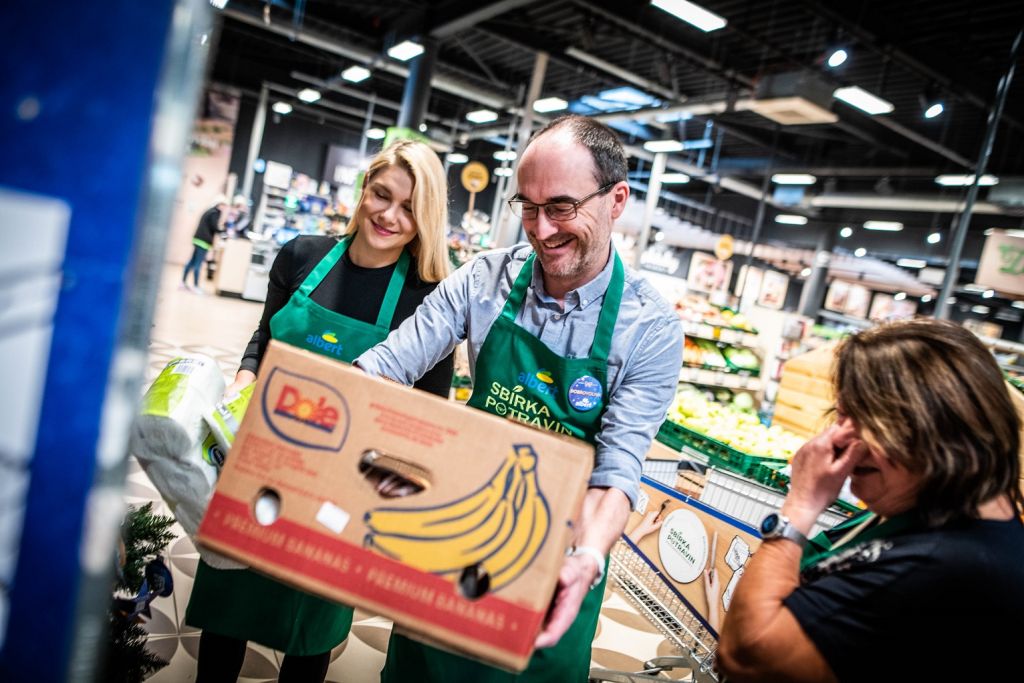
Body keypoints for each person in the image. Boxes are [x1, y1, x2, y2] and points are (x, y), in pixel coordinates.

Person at [356, 114, 684, 682]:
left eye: (561, 207)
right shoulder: (483, 280)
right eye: (528, 208)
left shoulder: (649, 329)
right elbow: (386, 366)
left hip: (557, 565)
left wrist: (589, 555)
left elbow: (618, 469)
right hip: (454, 533)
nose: (541, 229)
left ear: (616, 200)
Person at [185, 139, 455, 683]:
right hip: (262, 457)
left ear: (425, 218)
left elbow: (429, 408)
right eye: (382, 195)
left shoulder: (427, 299)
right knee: (227, 609)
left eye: (409, 208)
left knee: (308, 628)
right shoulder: (301, 256)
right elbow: (263, 339)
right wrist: (243, 382)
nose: (389, 215)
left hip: (344, 486)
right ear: (364, 188)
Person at [717, 319, 1024, 682]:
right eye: (840, 415)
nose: (837, 438)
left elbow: (746, 654)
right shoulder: (925, 507)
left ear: (935, 429)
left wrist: (799, 507)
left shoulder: (941, 562)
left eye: (862, 420)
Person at [182, 195, 228, 292]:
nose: (224, 208)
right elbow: (214, 227)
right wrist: (224, 231)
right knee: (198, 264)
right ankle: (195, 286)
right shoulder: (215, 213)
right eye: (224, 205)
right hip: (203, 241)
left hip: (198, 239)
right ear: (219, 204)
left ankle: (182, 283)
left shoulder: (209, 211)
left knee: (192, 262)